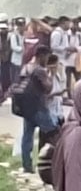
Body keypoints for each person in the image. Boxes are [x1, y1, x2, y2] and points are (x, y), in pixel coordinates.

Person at [16, 46, 58, 174]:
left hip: (26, 108)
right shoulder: (40, 70)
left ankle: (27, 165)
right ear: (41, 55)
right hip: (39, 107)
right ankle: (58, 161)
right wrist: (51, 75)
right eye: (46, 57)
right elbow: (48, 88)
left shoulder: (26, 67)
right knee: (54, 134)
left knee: (27, 136)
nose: (47, 60)